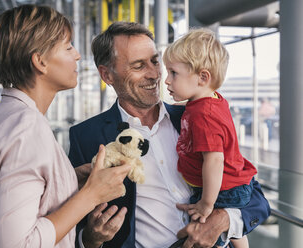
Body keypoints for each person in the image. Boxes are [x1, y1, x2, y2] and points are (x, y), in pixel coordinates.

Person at [68, 22, 270, 248]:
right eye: (138, 66)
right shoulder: (85, 137)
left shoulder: (197, 117)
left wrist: (224, 220)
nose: (155, 74)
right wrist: (90, 239)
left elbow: (252, 194)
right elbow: (71, 224)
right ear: (107, 75)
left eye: (155, 61)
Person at [0, 5, 130, 248]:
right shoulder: (26, 127)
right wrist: (91, 195)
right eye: (68, 47)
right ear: (40, 61)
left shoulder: (1, 116)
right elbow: (18, 243)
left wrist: (68, 180)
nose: (77, 55)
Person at [163, 28, 258, 248]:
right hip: (232, 184)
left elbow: (214, 160)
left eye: (173, 73)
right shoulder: (209, 101)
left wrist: (206, 203)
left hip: (222, 190)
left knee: (205, 232)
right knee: (235, 233)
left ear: (203, 77)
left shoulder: (203, 116)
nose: (166, 80)